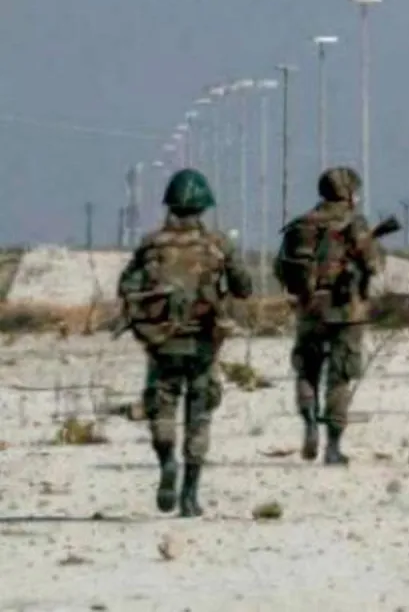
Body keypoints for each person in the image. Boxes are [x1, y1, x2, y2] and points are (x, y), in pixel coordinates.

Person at [117, 168, 253, 517]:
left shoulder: (151, 244)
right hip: (203, 343)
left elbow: (126, 287)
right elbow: (244, 287)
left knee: (161, 407)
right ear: (204, 206)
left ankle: (167, 463)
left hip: (162, 343)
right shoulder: (218, 244)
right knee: (199, 415)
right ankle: (190, 495)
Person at [274, 166, 383, 465]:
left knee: (307, 370)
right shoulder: (355, 224)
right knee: (340, 376)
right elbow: (374, 265)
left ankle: (310, 422)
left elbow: (280, 268)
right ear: (348, 194)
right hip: (346, 311)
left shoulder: (300, 225)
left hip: (309, 309)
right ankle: (333, 445)